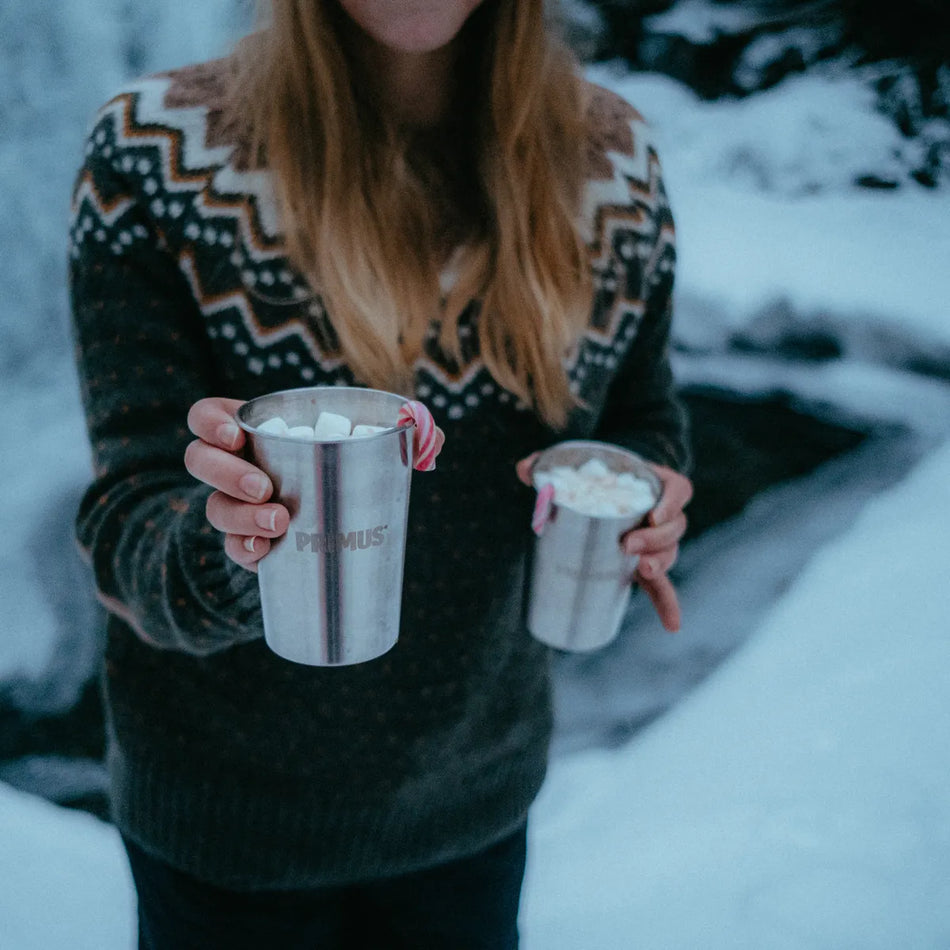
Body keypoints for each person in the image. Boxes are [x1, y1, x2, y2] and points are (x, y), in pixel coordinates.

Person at [69, 0, 692, 947]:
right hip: (229, 832)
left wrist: (645, 496)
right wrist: (230, 540)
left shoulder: (615, 164)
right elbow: (125, 519)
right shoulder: (157, 153)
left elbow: (644, 417)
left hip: (475, 805)